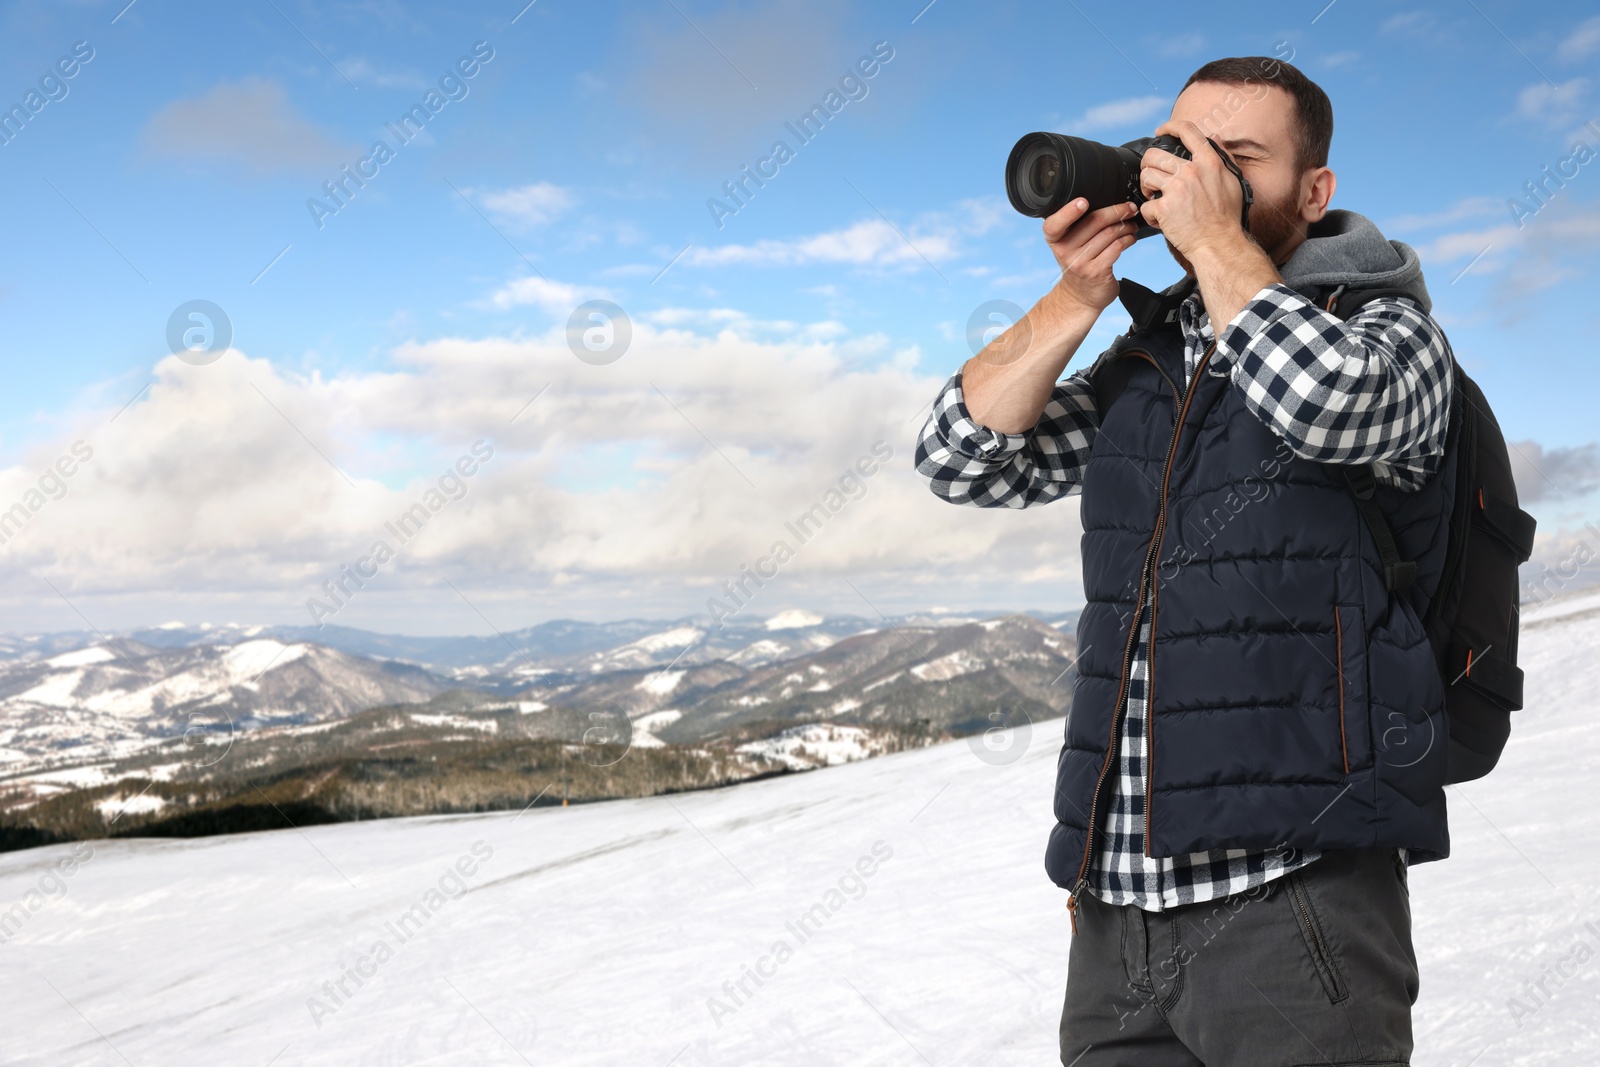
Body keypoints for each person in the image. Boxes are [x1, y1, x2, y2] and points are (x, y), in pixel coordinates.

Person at [915, 57, 1457, 1065]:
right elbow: (961, 459)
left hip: (1295, 901)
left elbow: (1329, 403)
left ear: (1313, 189)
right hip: (1116, 908)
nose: (1193, 176)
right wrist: (1078, 295)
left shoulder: (1388, 330)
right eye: (1178, 150)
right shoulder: (1148, 362)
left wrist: (1212, 244)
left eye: (1235, 158)